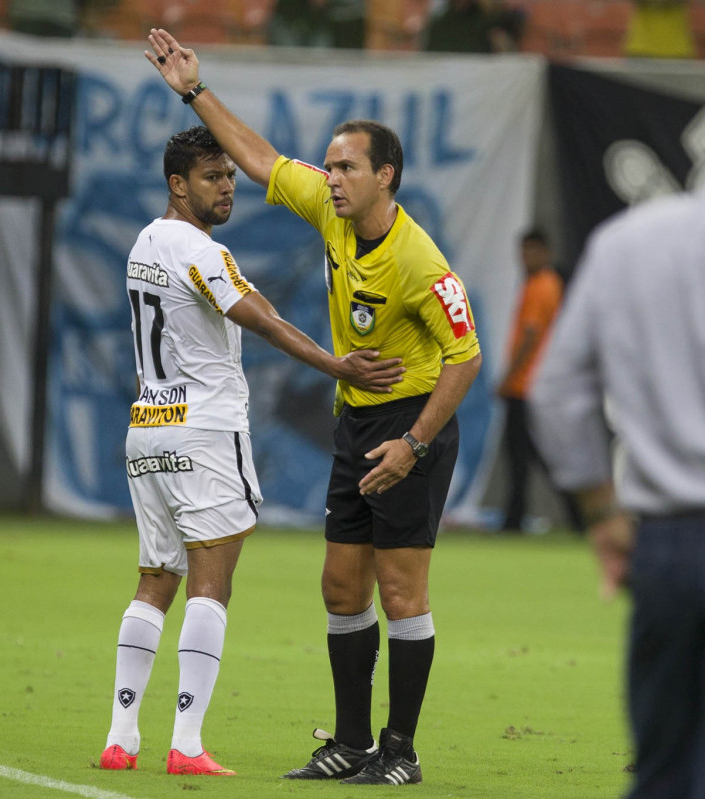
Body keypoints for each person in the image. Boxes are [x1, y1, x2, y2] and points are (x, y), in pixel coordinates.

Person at [144, 29, 482, 785]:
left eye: (345, 167)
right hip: (357, 420)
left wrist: (415, 445)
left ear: (384, 176)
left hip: (412, 425)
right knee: (339, 586)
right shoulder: (332, 213)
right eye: (328, 165)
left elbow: (467, 357)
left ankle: (402, 751)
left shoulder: (420, 261)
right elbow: (261, 158)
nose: (329, 177)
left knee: (401, 593)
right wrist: (194, 90)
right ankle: (353, 742)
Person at [99, 126, 405, 777]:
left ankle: (121, 734)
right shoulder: (202, 251)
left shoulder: (144, 243)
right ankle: (185, 743)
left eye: (231, 176)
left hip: (149, 423)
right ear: (178, 184)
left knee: (155, 578)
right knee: (212, 583)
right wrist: (335, 364)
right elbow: (261, 315)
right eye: (213, 177)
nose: (229, 186)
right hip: (205, 428)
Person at [529, 187, 705, 799]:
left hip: (673, 541)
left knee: (666, 771)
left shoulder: (629, 242)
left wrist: (601, 512)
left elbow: (555, 390)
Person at [496, 230, 582, 533]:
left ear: (545, 252)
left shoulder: (541, 285)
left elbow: (531, 335)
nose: (525, 258)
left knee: (531, 458)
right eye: (522, 251)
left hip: (526, 388)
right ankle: (518, 519)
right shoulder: (545, 284)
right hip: (537, 389)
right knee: (533, 459)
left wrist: (507, 378)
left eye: (531, 251)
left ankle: (518, 521)